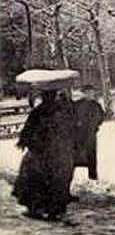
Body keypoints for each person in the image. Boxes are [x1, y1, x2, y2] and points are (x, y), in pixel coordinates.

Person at [13, 89, 77, 220]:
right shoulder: (62, 111)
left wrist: (23, 142)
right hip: (58, 152)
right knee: (58, 178)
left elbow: (28, 129)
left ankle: (36, 207)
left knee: (35, 177)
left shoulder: (38, 111)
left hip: (40, 152)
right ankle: (55, 208)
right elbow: (71, 129)